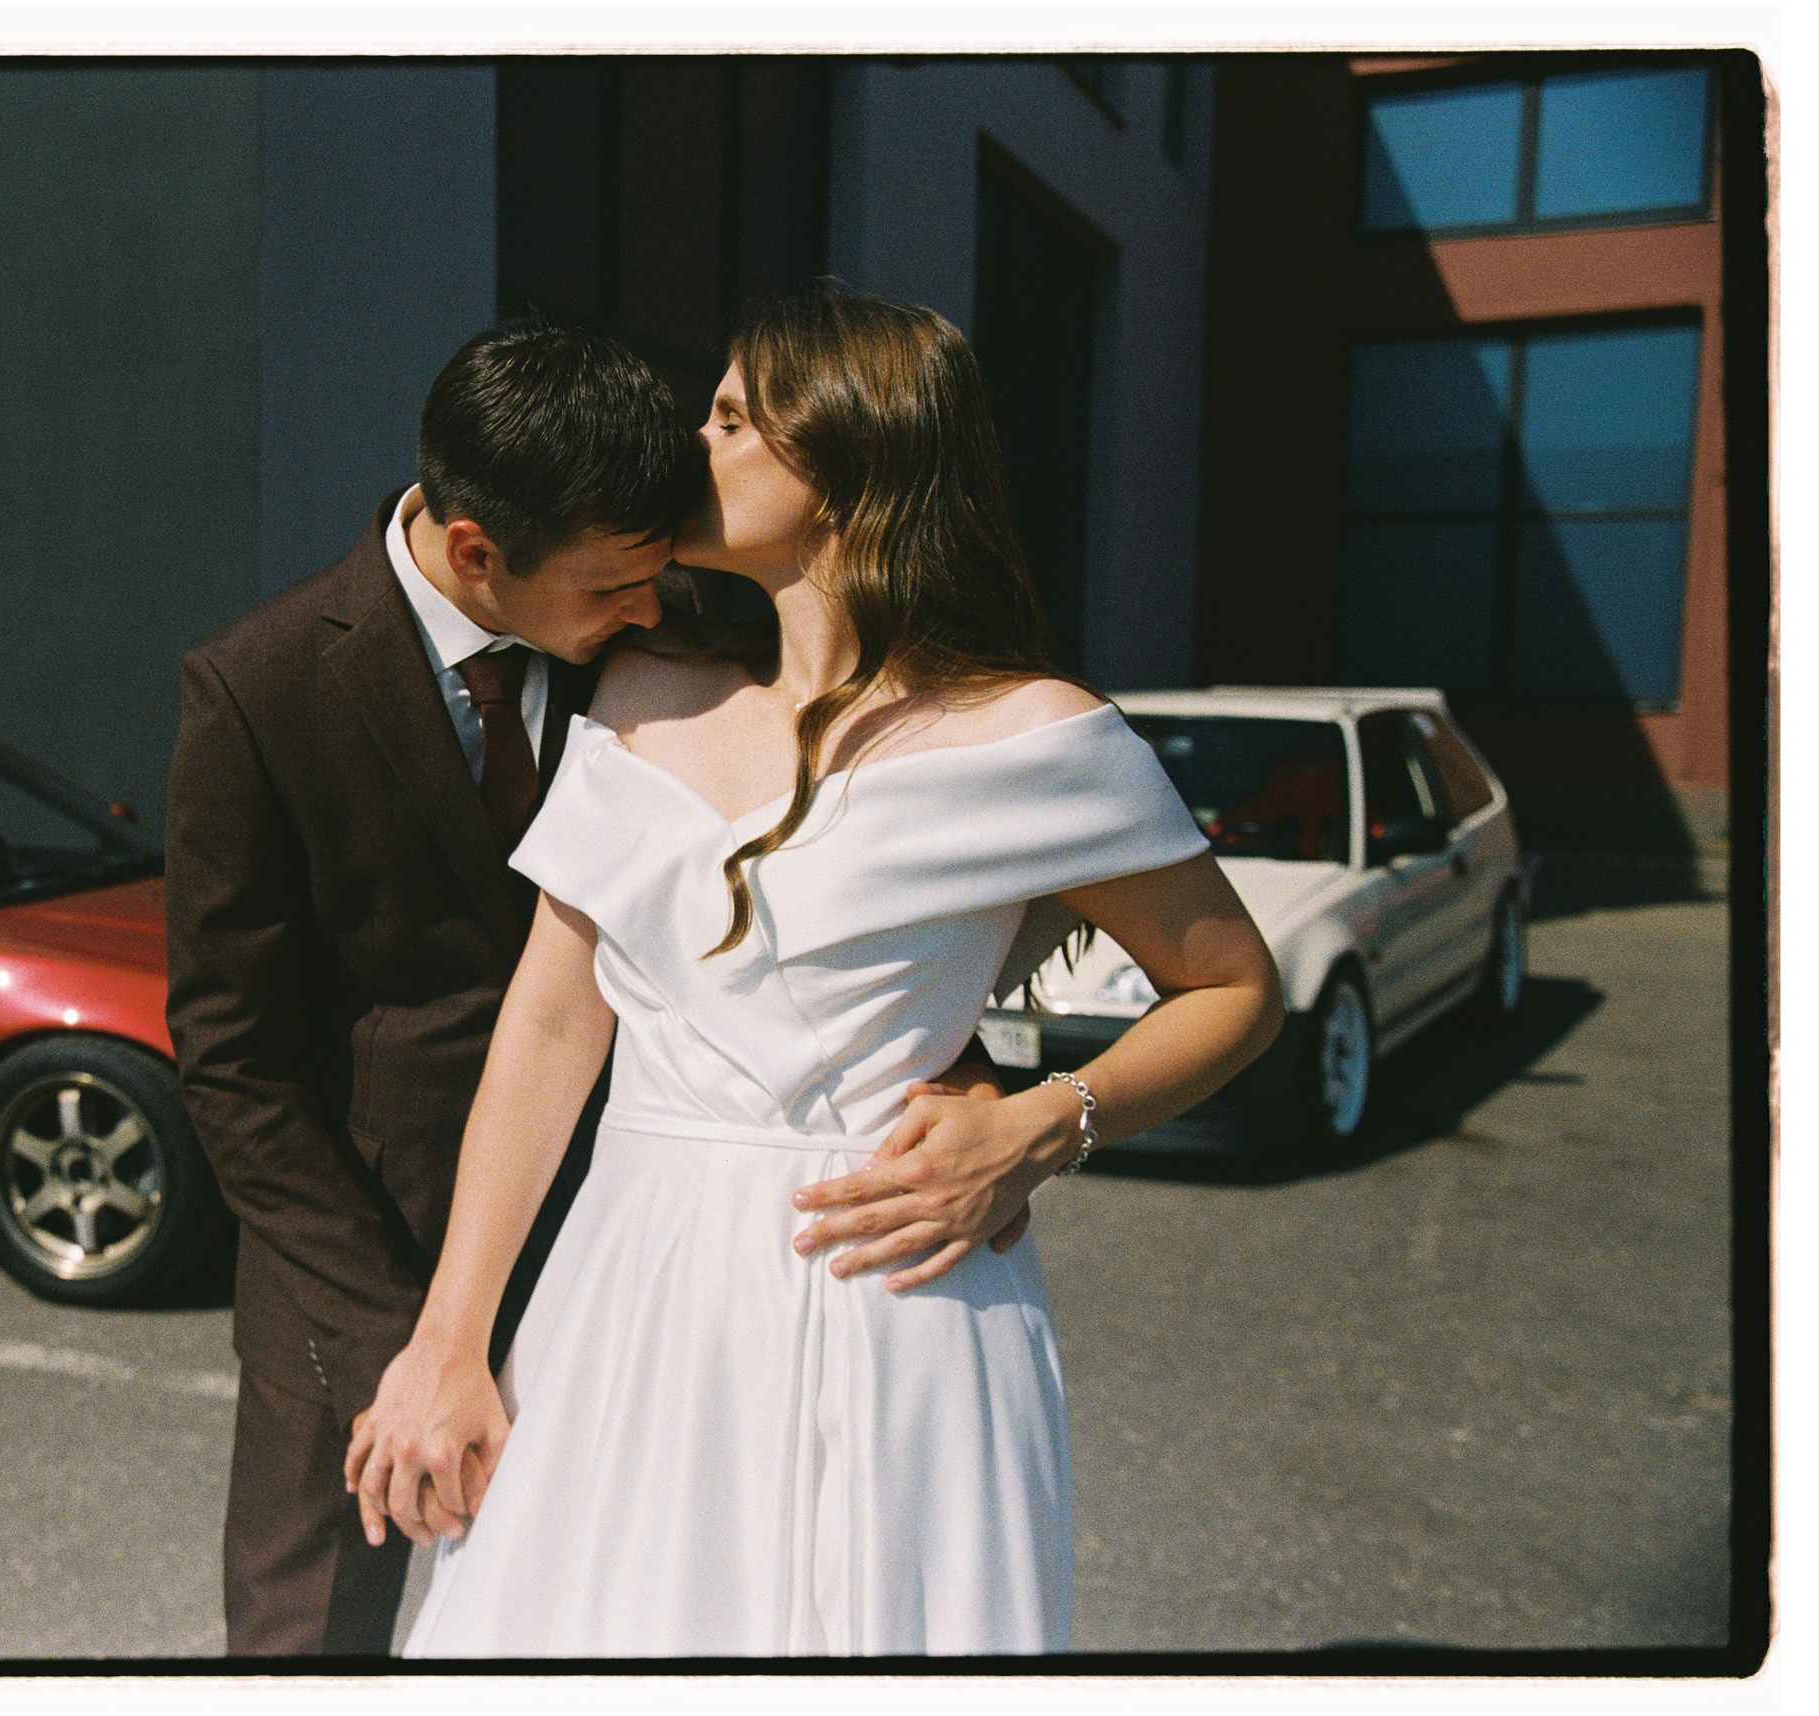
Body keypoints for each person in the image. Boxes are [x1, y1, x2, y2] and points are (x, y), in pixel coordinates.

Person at [343, 286, 1287, 1657]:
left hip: (893, 1285)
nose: (690, 440)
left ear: (848, 471)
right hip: (634, 1288)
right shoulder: (642, 688)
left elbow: (1234, 988)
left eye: (731, 418)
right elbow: (551, 1032)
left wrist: (1041, 1125)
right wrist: (452, 1338)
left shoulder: (1036, 735)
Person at [162, 322, 1018, 1656]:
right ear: (475, 554)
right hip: (362, 1258)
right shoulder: (258, 686)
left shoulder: (684, 642)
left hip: (636, 1251)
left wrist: (960, 1063)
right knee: (307, 1638)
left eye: (660, 576)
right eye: (618, 587)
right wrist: (416, 1333)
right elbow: (236, 1066)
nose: (651, 609)